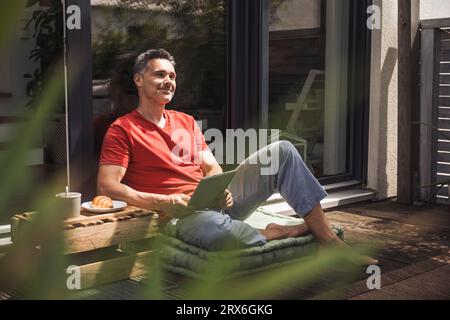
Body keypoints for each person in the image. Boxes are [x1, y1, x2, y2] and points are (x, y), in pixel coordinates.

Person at [97, 49, 377, 264]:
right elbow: (108, 186)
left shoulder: (185, 121)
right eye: (160, 75)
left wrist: (222, 189)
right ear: (138, 80)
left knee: (283, 151)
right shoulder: (123, 129)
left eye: (172, 76)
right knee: (212, 229)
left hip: (213, 204)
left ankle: (328, 240)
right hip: (179, 216)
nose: (168, 81)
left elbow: (211, 166)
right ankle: (276, 232)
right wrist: (163, 201)